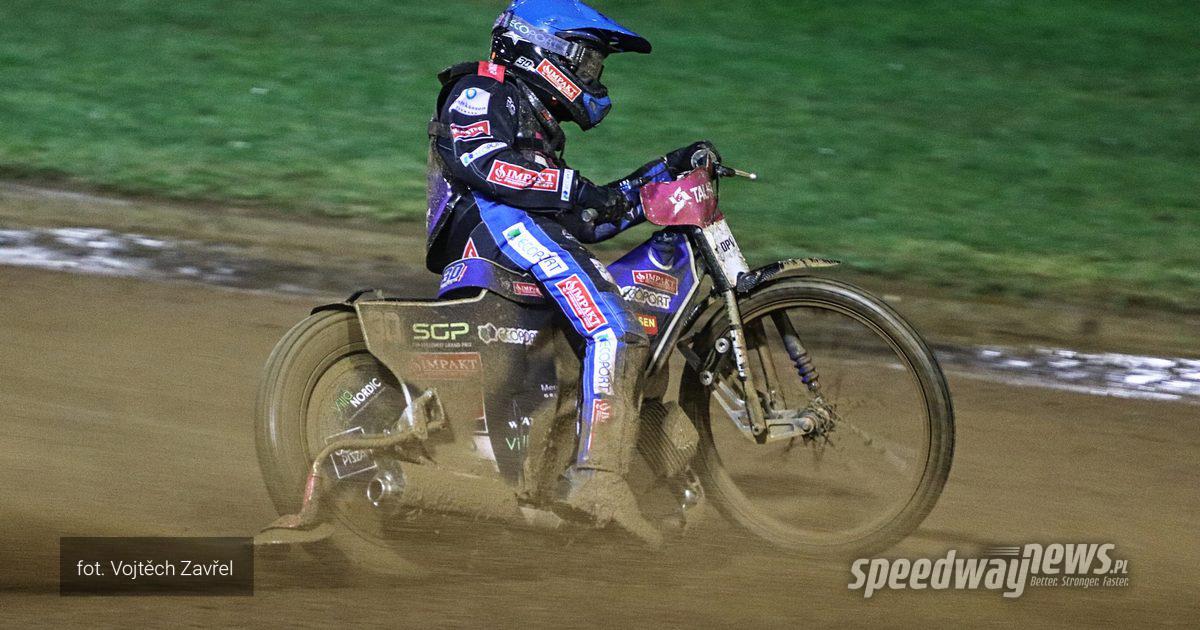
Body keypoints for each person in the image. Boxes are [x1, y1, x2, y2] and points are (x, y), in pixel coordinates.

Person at [425, 0, 715, 544]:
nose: (593, 77)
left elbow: (586, 219)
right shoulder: (481, 89)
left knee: (627, 346)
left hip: (520, 232)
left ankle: (596, 470)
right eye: (586, 62)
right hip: (497, 228)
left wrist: (662, 174)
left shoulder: (537, 124)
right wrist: (572, 187)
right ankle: (597, 481)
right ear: (542, 51)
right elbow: (483, 163)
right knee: (616, 329)